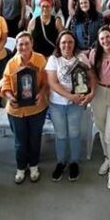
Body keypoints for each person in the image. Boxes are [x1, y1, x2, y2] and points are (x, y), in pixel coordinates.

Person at [0, 33, 50, 184]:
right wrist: (10, 97)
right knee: (20, 141)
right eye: (20, 44)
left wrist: (41, 93)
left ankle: (34, 165)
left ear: (32, 44)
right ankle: (21, 167)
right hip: (16, 110)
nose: (23, 47)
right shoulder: (11, 63)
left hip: (36, 108)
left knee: (35, 138)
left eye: (26, 43)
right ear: (16, 46)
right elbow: (6, 84)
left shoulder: (40, 60)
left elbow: (47, 82)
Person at [46, 31, 94, 182]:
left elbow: (91, 77)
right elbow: (52, 83)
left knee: (74, 133)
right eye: (64, 42)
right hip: (57, 104)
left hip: (76, 104)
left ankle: (74, 162)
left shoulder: (81, 58)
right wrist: (69, 96)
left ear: (74, 44)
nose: (67, 45)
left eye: (70, 42)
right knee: (60, 134)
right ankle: (61, 162)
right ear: (59, 44)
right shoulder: (54, 60)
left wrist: (91, 94)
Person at [90, 28, 110, 190]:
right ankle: (108, 157)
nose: (105, 41)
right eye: (102, 38)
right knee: (102, 129)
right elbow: (90, 75)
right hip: (98, 94)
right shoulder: (93, 54)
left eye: (108, 37)